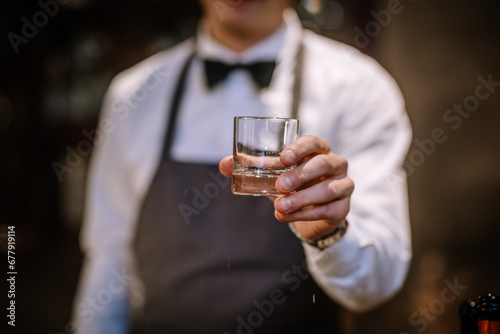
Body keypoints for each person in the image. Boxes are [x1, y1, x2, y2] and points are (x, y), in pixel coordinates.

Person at [72, 0, 412, 333]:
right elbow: (110, 257)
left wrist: (330, 234)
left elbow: (375, 287)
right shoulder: (133, 94)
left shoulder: (359, 88)